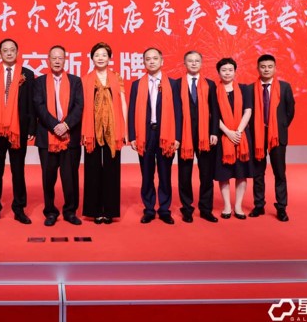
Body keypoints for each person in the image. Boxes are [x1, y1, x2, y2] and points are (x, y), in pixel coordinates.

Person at [0, 38, 36, 224]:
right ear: (0, 53)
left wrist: (31, 127)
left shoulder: (27, 74)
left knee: (18, 172)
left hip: (18, 129)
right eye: (5, 50)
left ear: (17, 52)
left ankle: (19, 209)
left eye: (12, 50)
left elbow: (31, 103)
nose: (9, 53)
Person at [128, 48, 182, 225]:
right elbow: (131, 110)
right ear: (143, 62)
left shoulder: (173, 84)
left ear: (162, 61)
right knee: (147, 174)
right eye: (148, 59)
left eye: (155, 58)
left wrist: (177, 137)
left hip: (166, 134)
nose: (151, 62)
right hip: (145, 134)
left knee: (165, 174)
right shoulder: (137, 85)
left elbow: (178, 112)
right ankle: (149, 209)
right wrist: (132, 136)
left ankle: (165, 209)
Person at [34, 45, 84, 226]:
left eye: (60, 58)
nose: (57, 61)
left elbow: (79, 106)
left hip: (70, 137)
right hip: (47, 137)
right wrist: (55, 125)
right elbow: (38, 106)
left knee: (70, 178)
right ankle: (50, 212)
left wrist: (66, 125)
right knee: (48, 178)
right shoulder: (39, 82)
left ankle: (70, 211)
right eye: (54, 58)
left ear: (65, 60)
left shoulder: (75, 81)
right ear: (48, 60)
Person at [81, 42, 128, 224]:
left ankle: (109, 211)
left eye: (104, 55)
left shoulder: (116, 78)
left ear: (109, 58)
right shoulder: (85, 80)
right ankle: (94, 211)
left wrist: (125, 129)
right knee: (92, 169)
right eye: (97, 55)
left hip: (113, 128)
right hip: (91, 129)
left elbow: (122, 102)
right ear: (92, 58)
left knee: (112, 169)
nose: (100, 58)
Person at [175, 51, 220, 223]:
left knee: (206, 174)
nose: (193, 63)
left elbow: (215, 110)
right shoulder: (177, 84)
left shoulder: (210, 84)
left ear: (201, 63)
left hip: (205, 136)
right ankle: (187, 209)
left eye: (197, 61)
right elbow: (174, 113)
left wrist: (214, 132)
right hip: (184, 136)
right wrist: (176, 136)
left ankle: (206, 209)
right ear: (184, 64)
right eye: (190, 61)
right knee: (184, 174)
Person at [249, 54, 295, 222]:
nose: (266, 69)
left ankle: (281, 207)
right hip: (257, 136)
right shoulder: (250, 89)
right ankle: (259, 205)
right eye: (263, 67)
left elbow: (290, 111)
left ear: (275, 68)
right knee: (258, 173)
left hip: (277, 136)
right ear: (258, 68)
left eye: (269, 66)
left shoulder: (285, 87)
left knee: (279, 173)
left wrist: (279, 126)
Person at [214, 58, 253, 220]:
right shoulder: (213, 90)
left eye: (230, 70)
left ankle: (238, 206)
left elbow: (248, 111)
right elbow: (213, 115)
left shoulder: (244, 89)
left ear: (235, 71)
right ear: (218, 72)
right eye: (224, 70)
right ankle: (227, 206)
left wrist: (238, 131)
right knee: (223, 174)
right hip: (223, 136)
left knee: (241, 173)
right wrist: (228, 132)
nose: (227, 73)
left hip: (241, 137)